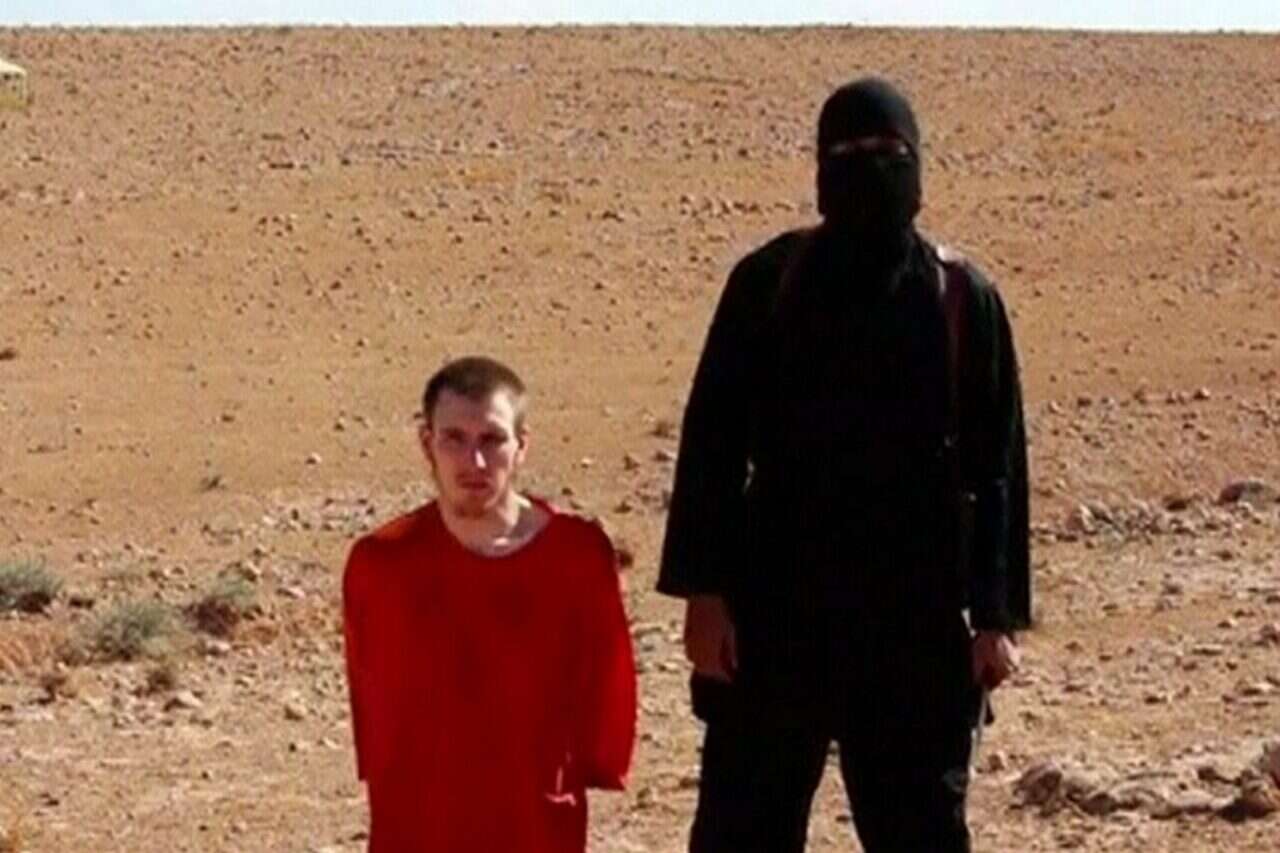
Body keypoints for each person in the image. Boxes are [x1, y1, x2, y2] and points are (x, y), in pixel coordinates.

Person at [657, 77, 1031, 853]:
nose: (870, 168)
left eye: (888, 152)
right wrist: (705, 593)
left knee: (920, 830)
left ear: (918, 164)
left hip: (916, 614)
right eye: (849, 152)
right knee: (742, 829)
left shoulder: (960, 298)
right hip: (775, 606)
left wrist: (995, 616)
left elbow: (996, 466)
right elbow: (713, 443)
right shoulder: (769, 283)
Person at [343, 356, 636, 853]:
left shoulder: (576, 557)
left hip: (535, 820)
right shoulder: (382, 563)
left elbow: (606, 691)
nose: (474, 462)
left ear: (522, 446)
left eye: (492, 440)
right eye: (454, 438)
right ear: (427, 444)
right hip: (418, 823)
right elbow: (374, 707)